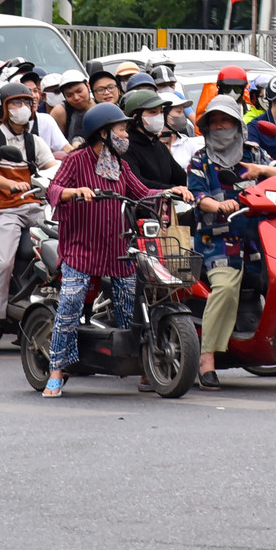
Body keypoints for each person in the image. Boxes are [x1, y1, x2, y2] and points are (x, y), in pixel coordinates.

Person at [41, 102, 191, 396]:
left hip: (118, 249)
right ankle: (56, 370)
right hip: (81, 249)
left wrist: (169, 191)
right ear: (104, 133)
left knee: (131, 306)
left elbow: (142, 192)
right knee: (70, 304)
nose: (126, 134)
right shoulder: (77, 160)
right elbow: (53, 190)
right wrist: (75, 192)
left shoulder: (119, 166)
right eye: (121, 129)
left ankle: (143, 364)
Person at [186, 96, 276, 390]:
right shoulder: (199, 160)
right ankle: (207, 358)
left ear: (238, 126)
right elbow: (197, 196)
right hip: (217, 241)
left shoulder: (255, 153)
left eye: (225, 121)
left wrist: (262, 172)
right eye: (214, 122)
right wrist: (218, 207)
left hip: (261, 238)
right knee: (227, 286)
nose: (220, 127)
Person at [0, 82, 58, 356]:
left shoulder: (36, 142)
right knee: (4, 263)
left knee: (62, 254)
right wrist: (12, 184)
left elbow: (55, 168)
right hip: (3, 210)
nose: (21, 109)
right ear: (2, 108)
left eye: (26, 103)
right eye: (14, 104)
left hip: (36, 209)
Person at [118, 88, 184, 189]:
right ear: (136, 117)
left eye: (161, 112)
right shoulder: (126, 148)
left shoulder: (159, 145)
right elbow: (137, 183)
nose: (159, 116)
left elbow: (180, 177)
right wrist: (169, 189)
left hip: (167, 203)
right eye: (153, 112)